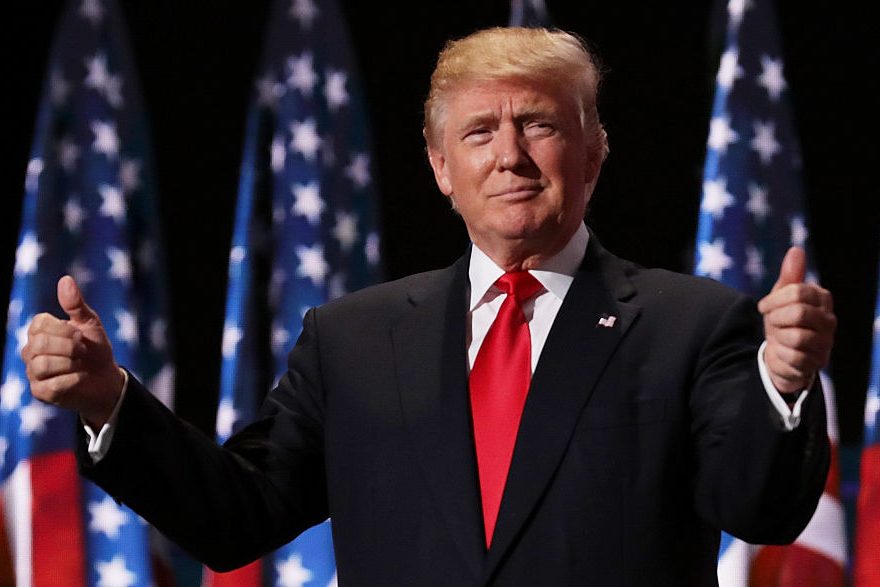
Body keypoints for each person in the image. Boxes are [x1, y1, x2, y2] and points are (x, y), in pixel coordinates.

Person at [22, 27, 835, 586]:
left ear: (594, 152)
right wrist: (109, 403)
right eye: (481, 131)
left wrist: (785, 384)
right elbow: (239, 514)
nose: (510, 154)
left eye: (540, 123)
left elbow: (757, 507)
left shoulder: (689, 323)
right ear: (442, 167)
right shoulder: (353, 339)